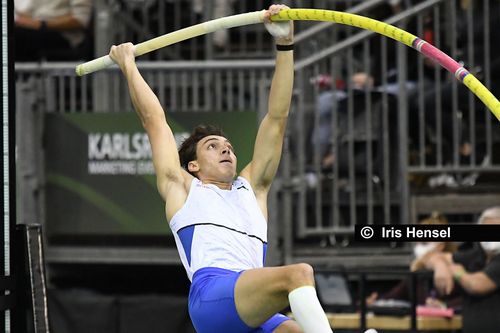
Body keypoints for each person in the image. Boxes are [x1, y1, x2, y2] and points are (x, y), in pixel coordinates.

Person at [109, 5, 335, 333]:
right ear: (193, 165)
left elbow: (277, 117)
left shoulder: (253, 188)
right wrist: (128, 65)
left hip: (250, 302)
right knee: (298, 274)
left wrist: (285, 45)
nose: (225, 149)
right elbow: (154, 121)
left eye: (227, 145)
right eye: (212, 146)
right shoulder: (182, 187)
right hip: (213, 297)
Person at [421, 206, 500, 333]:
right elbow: (428, 257)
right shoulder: (477, 255)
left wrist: (456, 271)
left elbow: (477, 285)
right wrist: (440, 266)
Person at [367, 212, 461, 309]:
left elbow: (467, 300)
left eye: (424, 243)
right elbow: (394, 296)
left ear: (441, 245)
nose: (419, 248)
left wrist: (445, 306)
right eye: (417, 242)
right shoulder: (416, 274)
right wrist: (376, 300)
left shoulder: (458, 268)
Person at [14, 0, 92, 61]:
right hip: (38, 31)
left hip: (64, 36)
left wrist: (42, 24)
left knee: (15, 37)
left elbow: (80, 20)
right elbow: (30, 14)